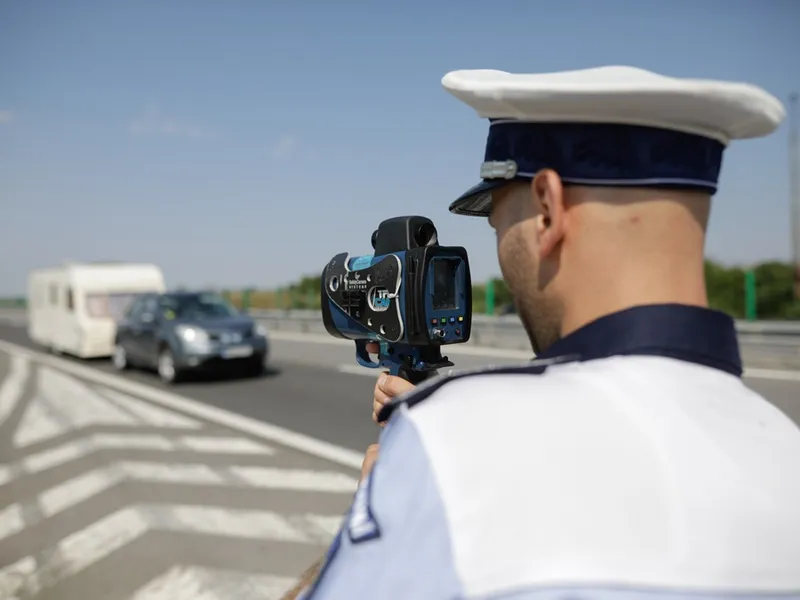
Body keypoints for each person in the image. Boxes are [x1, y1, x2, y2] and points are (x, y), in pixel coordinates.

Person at [283, 66, 800, 600]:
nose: (502, 251)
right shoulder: (786, 453)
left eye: (500, 221)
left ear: (549, 208)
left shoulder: (453, 448)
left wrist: (389, 511)